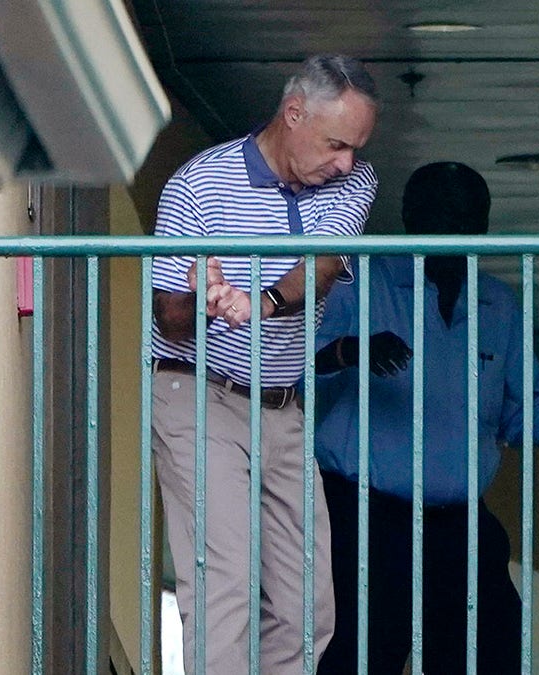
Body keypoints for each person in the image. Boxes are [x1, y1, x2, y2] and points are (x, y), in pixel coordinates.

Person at [150, 54, 380, 674]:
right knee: (224, 588)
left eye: (355, 148)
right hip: (199, 395)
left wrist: (260, 301)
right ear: (293, 112)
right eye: (336, 144)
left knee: (310, 612)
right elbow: (166, 317)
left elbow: (324, 264)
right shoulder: (199, 183)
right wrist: (207, 303)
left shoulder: (353, 183)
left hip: (283, 408)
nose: (347, 163)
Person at [313, 162, 539, 674]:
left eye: (469, 219)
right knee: (359, 655)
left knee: (493, 648)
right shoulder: (359, 282)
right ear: (411, 216)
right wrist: (350, 350)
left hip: (458, 521)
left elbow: (525, 411)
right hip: (363, 515)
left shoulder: (498, 303)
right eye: (443, 216)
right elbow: (288, 366)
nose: (457, 230)